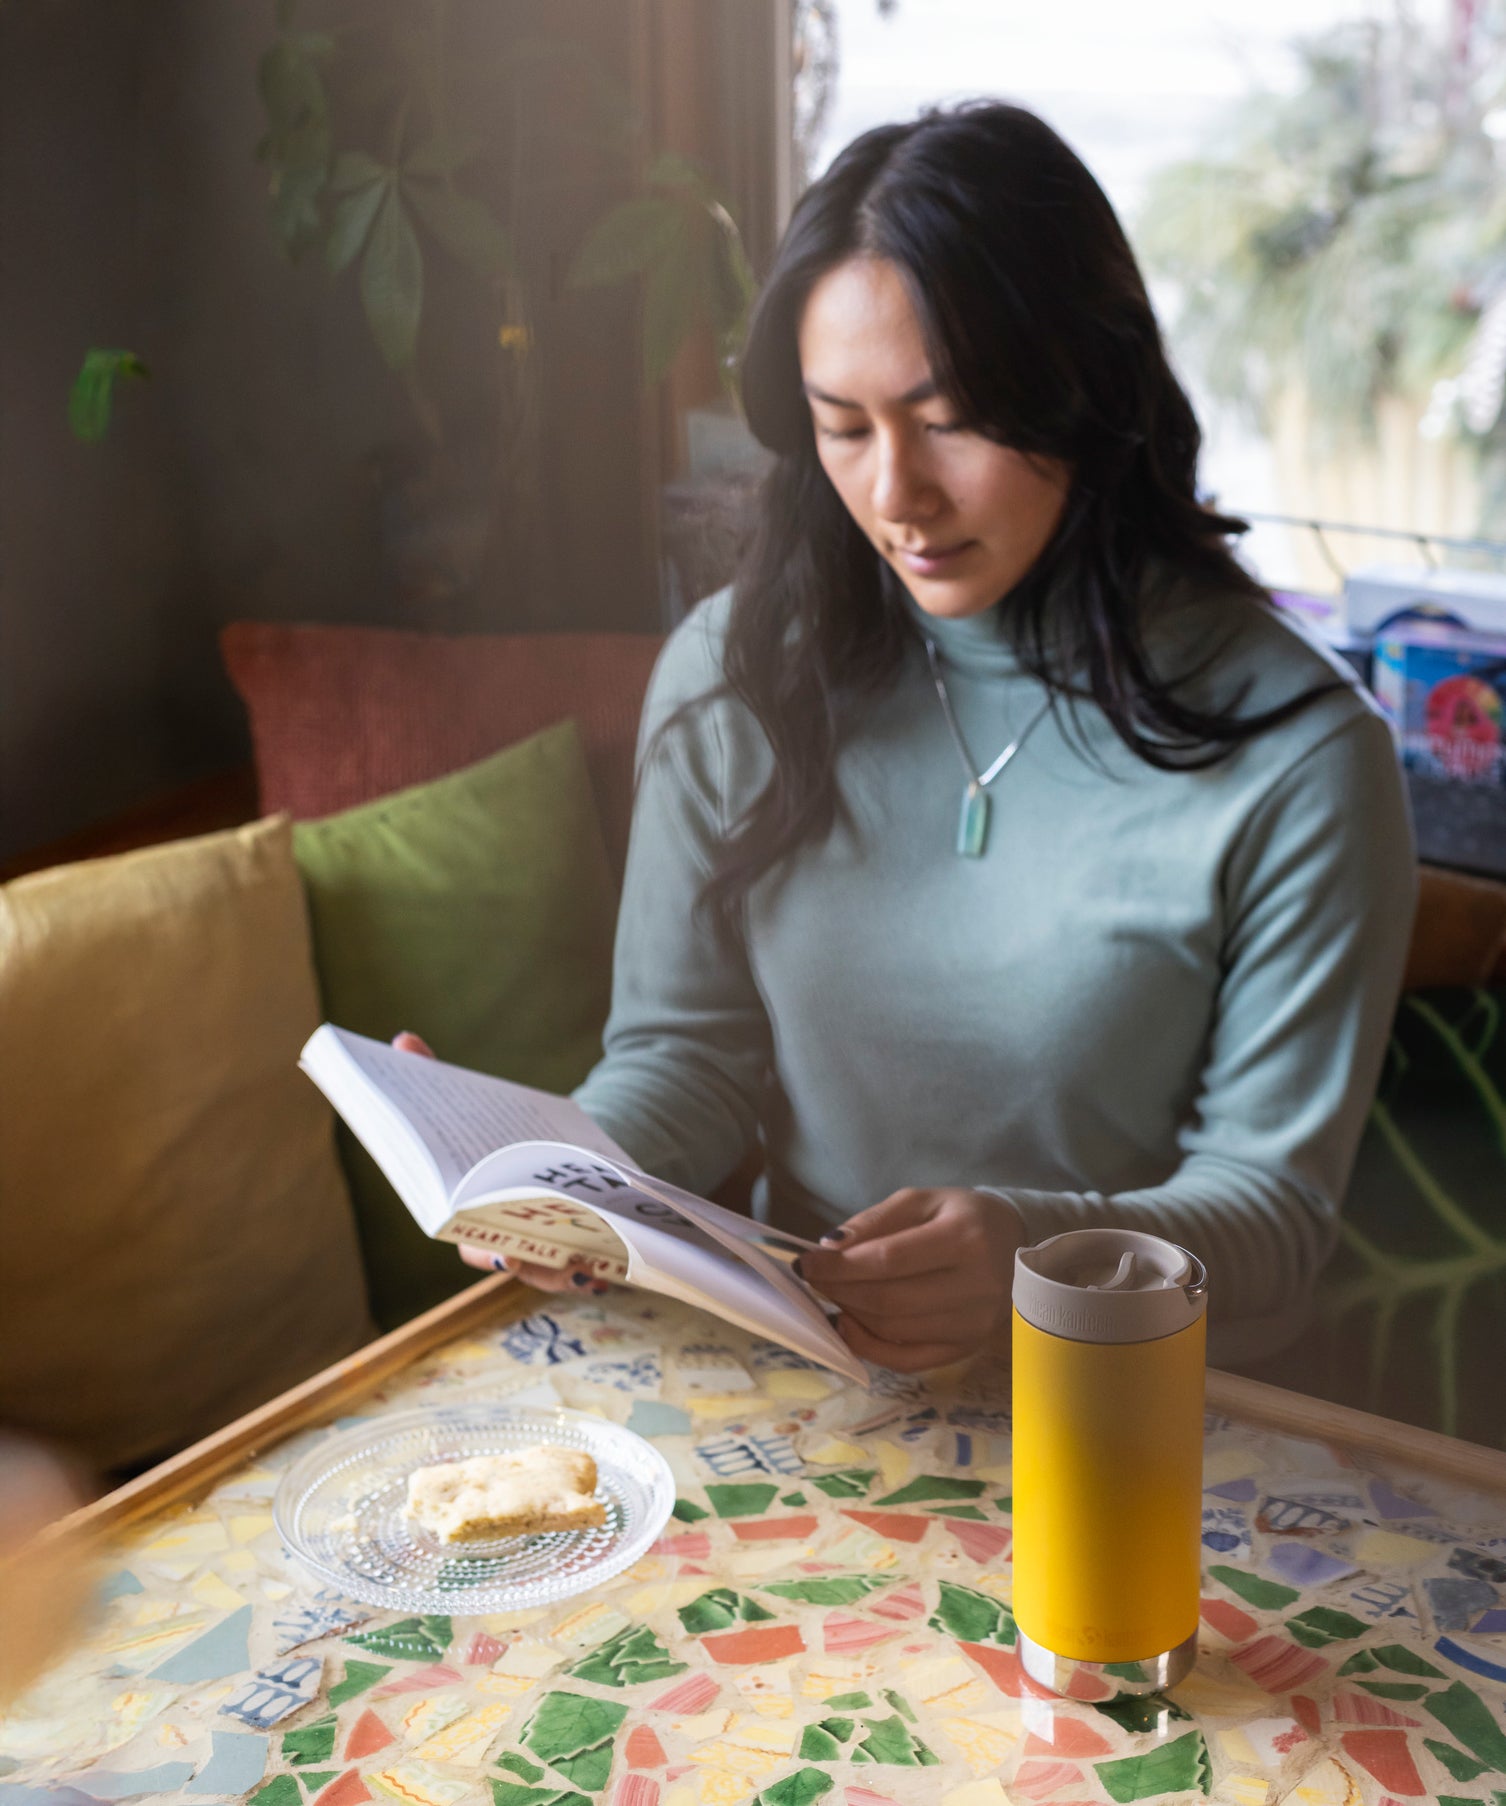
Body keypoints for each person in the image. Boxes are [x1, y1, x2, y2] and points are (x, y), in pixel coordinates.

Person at [418, 100, 1415, 1374]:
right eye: (844, 427)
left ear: (1087, 389)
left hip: (1132, 1414)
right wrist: (553, 1183)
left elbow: (1272, 1215)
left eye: (948, 421)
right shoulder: (734, 678)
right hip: (802, 1379)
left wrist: (1039, 1259)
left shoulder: (1302, 755)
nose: (896, 494)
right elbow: (685, 1058)